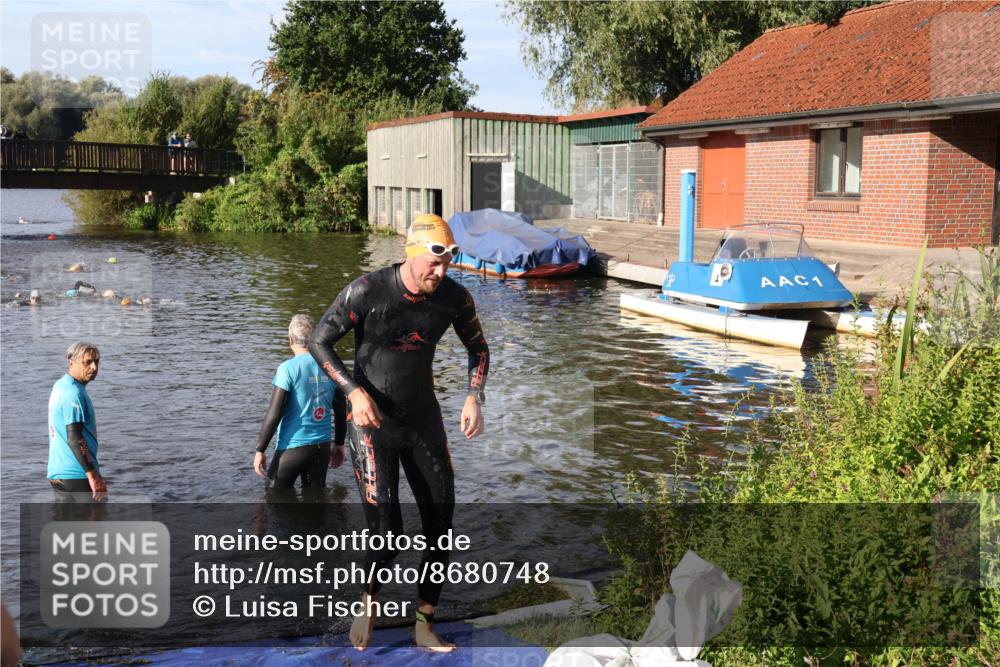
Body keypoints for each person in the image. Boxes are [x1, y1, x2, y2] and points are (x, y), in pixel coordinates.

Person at [309, 213, 489, 653]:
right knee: (388, 534)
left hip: (422, 421)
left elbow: (478, 348)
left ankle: (425, 622)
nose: (441, 273)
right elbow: (318, 340)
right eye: (435, 263)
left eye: (449, 263)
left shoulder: (454, 298)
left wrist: (473, 396)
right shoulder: (367, 290)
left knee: (441, 525)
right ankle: (368, 601)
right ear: (411, 253)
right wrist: (352, 392)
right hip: (371, 426)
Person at [254, 314, 347, 492]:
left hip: (293, 448)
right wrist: (340, 443)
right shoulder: (330, 365)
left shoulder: (287, 368)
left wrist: (260, 450)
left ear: (291, 339)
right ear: (314, 339)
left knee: (274, 498)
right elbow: (341, 409)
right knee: (316, 500)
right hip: (322, 448)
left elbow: (275, 413)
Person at [47, 342, 107, 501]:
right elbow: (74, 438)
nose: (94, 367)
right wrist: (93, 475)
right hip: (77, 475)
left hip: (61, 473)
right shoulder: (73, 394)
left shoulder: (61, 385)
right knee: (92, 523)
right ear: (70, 362)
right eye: (87, 362)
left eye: (96, 361)